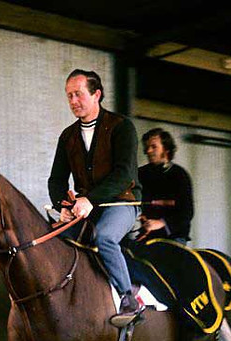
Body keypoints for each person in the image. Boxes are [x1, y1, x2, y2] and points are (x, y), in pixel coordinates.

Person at [48, 69, 145, 327]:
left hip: (121, 203)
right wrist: (63, 207)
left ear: (97, 94)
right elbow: (56, 180)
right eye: (69, 96)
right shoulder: (67, 137)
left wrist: (89, 199)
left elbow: (124, 174)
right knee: (53, 238)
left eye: (78, 94)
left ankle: (128, 298)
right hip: (85, 207)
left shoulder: (122, 127)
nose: (73, 101)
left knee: (104, 237)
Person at [137, 128, 194, 244]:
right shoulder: (140, 173)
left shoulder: (179, 175)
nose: (148, 151)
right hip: (146, 235)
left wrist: (162, 223)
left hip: (173, 237)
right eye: (147, 147)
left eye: (154, 147)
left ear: (166, 149)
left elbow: (187, 212)